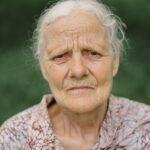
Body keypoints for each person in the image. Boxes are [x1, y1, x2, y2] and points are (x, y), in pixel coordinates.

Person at [0, 0, 150, 149]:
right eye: (60, 56)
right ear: (43, 67)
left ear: (115, 60)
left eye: (93, 53)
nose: (78, 71)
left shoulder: (145, 127)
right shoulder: (13, 138)